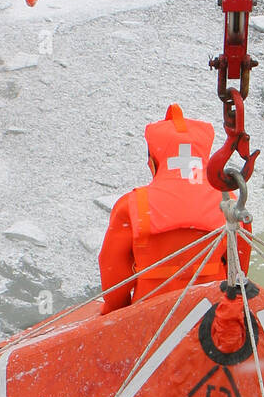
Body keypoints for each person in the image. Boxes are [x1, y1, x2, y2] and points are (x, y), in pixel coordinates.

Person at [98, 103, 251, 313]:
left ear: (154, 161)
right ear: (204, 159)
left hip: (149, 317)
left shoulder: (132, 206)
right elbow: (239, 269)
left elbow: (114, 276)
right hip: (212, 316)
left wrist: (115, 312)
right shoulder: (231, 205)